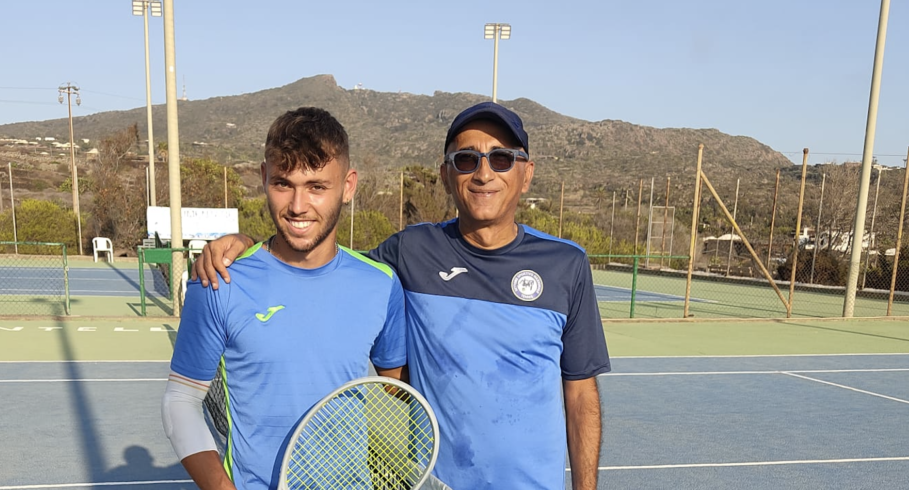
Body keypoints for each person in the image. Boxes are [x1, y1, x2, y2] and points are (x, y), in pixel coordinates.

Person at [195, 102, 610, 490]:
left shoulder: (566, 264)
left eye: (501, 158)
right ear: (446, 175)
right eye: (466, 160)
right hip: (436, 482)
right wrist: (249, 246)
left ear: (527, 173)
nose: (484, 173)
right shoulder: (412, 251)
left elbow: (581, 396)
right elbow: (320, 258)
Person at [162, 107, 407, 490]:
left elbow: (397, 386)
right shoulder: (219, 279)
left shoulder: (381, 283)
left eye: (317, 187)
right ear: (263, 177)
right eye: (283, 183)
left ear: (348, 185)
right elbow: (180, 401)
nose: (297, 205)